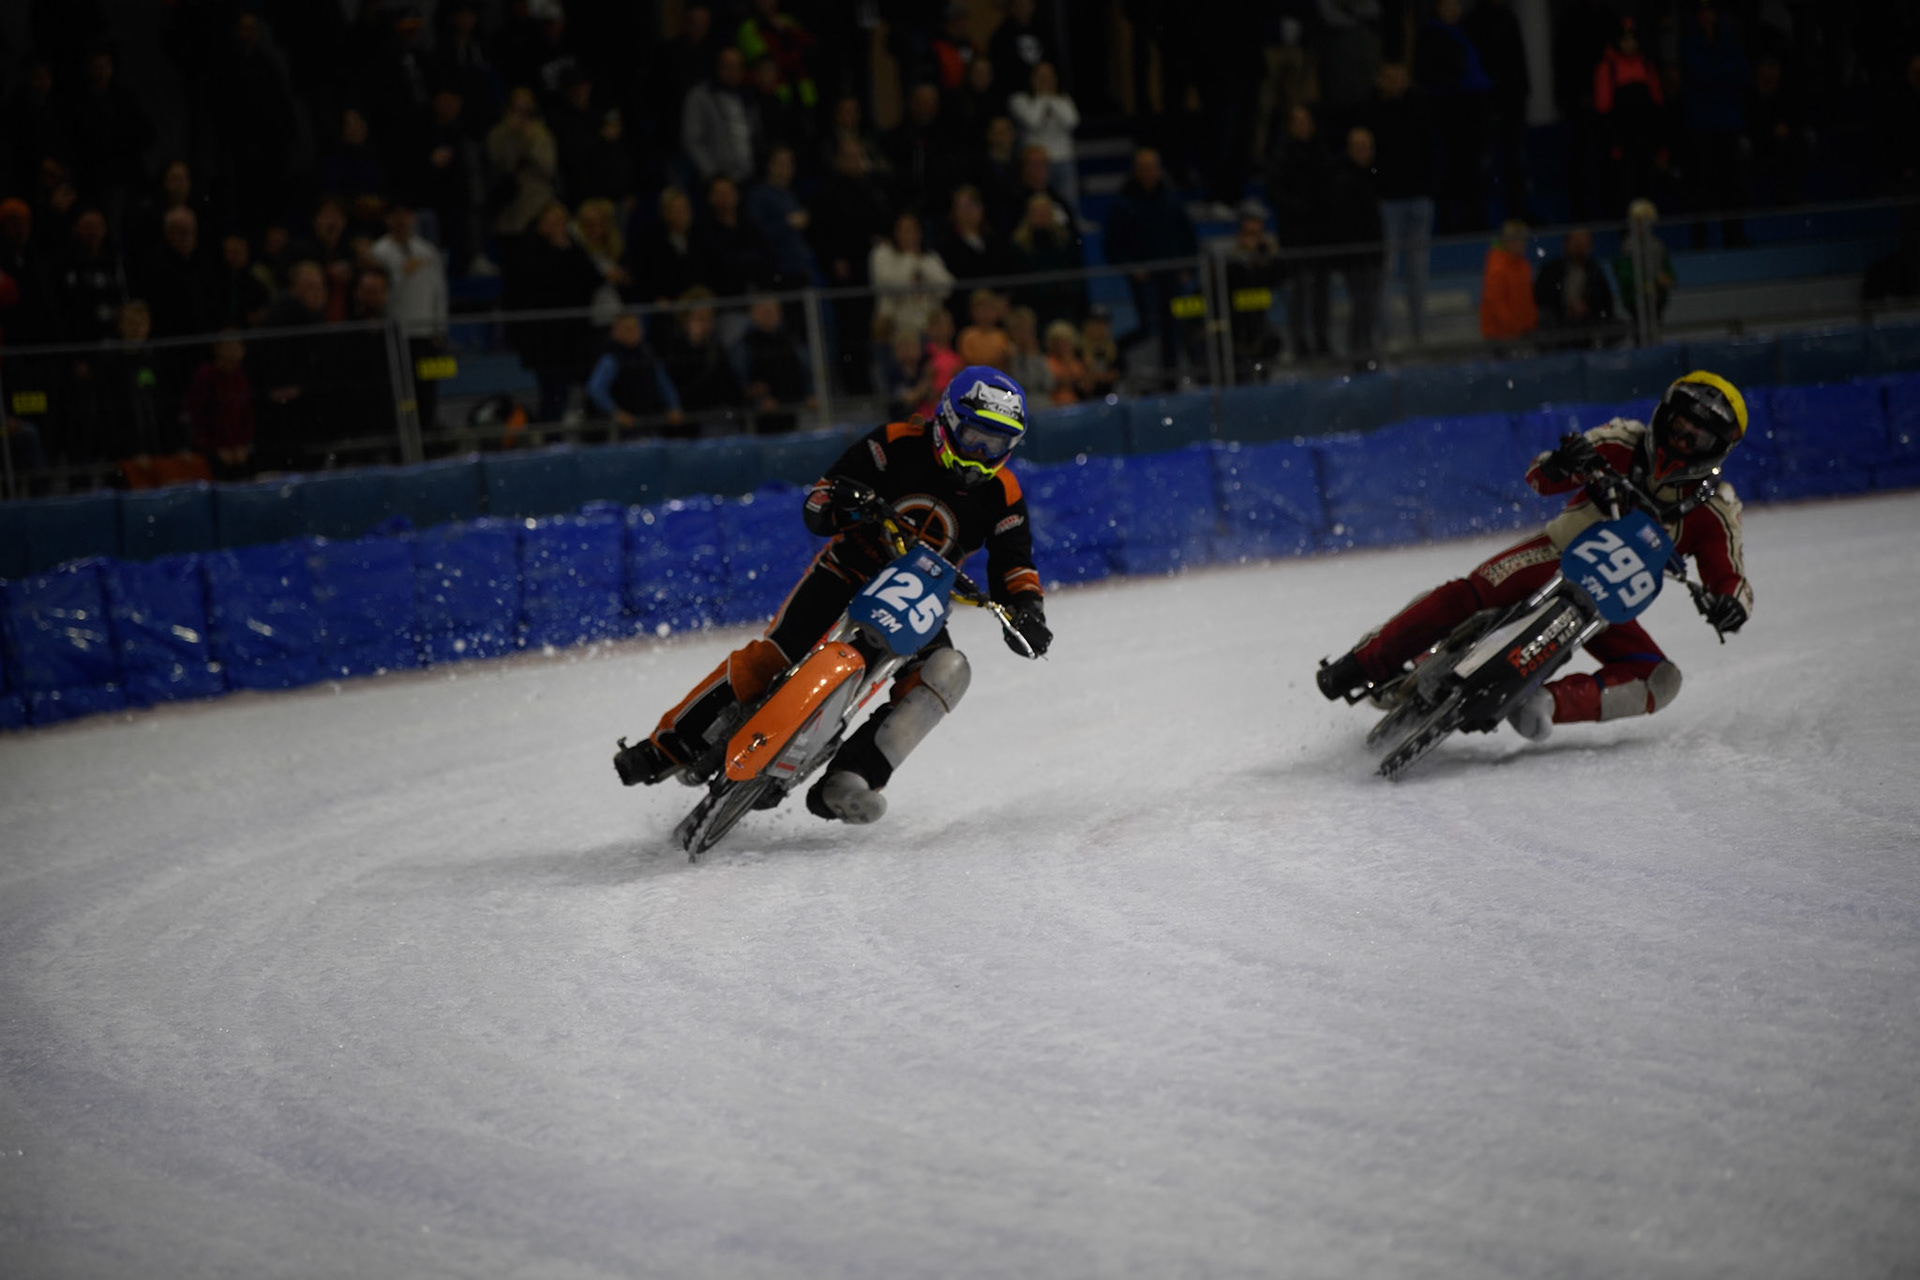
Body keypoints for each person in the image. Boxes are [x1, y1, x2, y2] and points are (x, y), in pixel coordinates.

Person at [614, 368, 1053, 825]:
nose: (981, 454)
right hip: (849, 570)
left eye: (996, 444)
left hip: (920, 598)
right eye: (974, 436)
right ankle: (666, 747)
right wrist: (849, 500)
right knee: (771, 659)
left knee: (947, 672)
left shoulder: (1005, 493)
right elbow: (819, 504)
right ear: (945, 421)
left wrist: (1027, 611)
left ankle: (851, 779)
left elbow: (1014, 562)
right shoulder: (894, 442)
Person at [1317, 372, 1754, 741]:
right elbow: (1539, 476)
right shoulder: (1623, 439)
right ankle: (1361, 664)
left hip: (1608, 606)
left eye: (1697, 437)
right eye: (1680, 426)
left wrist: (1730, 602)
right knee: (1466, 594)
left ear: (1718, 448)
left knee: (1660, 677)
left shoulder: (1715, 506)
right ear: (1664, 414)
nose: (1681, 440)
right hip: (1553, 554)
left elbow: (1728, 571)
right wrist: (1565, 462)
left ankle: (1543, 703)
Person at [587, 311, 682, 436]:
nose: (633, 331)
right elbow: (596, 389)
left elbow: (663, 383)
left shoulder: (648, 354)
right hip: (624, 429)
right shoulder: (611, 358)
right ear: (616, 331)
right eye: (627, 328)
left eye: (636, 327)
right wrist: (615, 412)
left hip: (648, 420)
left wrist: (673, 406)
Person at [869, 211, 955, 348]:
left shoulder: (929, 258)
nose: (909, 235)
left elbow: (946, 288)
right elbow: (890, 286)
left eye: (913, 230)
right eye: (903, 230)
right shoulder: (883, 253)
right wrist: (909, 259)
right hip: (896, 326)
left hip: (929, 325)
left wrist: (921, 265)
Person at [1007, 62, 1080, 216]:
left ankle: (1070, 225)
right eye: (1041, 77)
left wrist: (1051, 99)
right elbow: (1032, 121)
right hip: (1035, 160)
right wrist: (1042, 98)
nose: (1046, 81)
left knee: (1067, 198)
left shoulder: (1063, 99)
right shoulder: (1019, 100)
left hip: (1063, 157)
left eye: (1049, 76)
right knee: (1037, 199)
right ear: (1032, 79)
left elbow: (1072, 121)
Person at [182, 336, 256, 480]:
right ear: (217, 349)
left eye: (238, 346)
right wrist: (215, 448)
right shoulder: (205, 376)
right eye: (229, 346)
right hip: (211, 452)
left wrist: (242, 445)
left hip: (239, 451)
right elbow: (198, 416)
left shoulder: (242, 376)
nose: (234, 351)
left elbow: (248, 414)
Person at [736, 296, 812, 433]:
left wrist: (808, 395)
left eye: (771, 311)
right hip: (758, 422)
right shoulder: (744, 347)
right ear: (753, 315)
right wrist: (755, 398)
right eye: (762, 312)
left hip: (793, 414)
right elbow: (739, 385)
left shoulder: (793, 342)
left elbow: (806, 374)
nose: (767, 316)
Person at [1533, 226, 1616, 346]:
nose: (1579, 250)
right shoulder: (1550, 270)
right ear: (1566, 244)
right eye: (1576, 245)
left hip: (1588, 325)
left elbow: (1606, 303)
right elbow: (1540, 298)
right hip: (1558, 324)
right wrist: (1565, 307)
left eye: (1583, 245)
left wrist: (1586, 306)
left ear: (1590, 247)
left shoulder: (1596, 271)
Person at [1479, 219, 1537, 344]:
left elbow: (1527, 298)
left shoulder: (1523, 265)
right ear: (1510, 241)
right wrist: (1514, 329)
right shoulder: (1497, 267)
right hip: (1500, 335)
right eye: (1521, 240)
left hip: (1522, 332)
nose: (1524, 244)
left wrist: (1529, 324)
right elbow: (1496, 304)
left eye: (1525, 240)